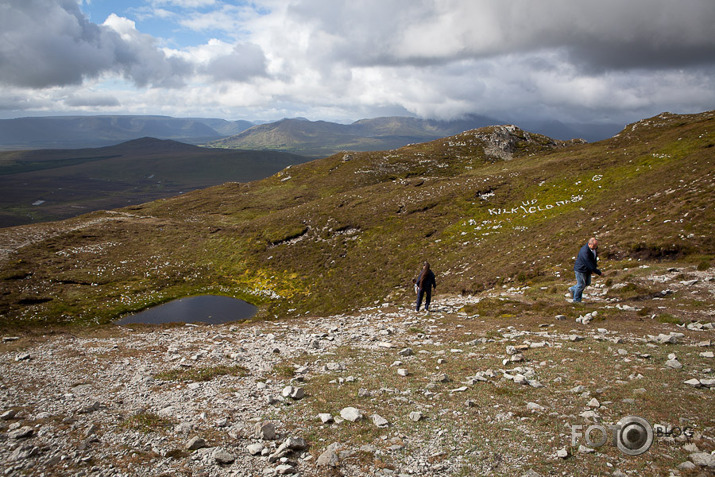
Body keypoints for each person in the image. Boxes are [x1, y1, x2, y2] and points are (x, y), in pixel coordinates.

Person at [568, 237, 602, 303]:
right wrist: (598, 272)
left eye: (596, 245)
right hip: (581, 269)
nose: (595, 247)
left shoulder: (594, 249)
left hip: (587, 270)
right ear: (589, 244)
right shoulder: (585, 251)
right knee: (581, 285)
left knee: (587, 283)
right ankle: (576, 300)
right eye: (594, 246)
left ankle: (572, 289)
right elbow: (588, 263)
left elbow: (593, 259)